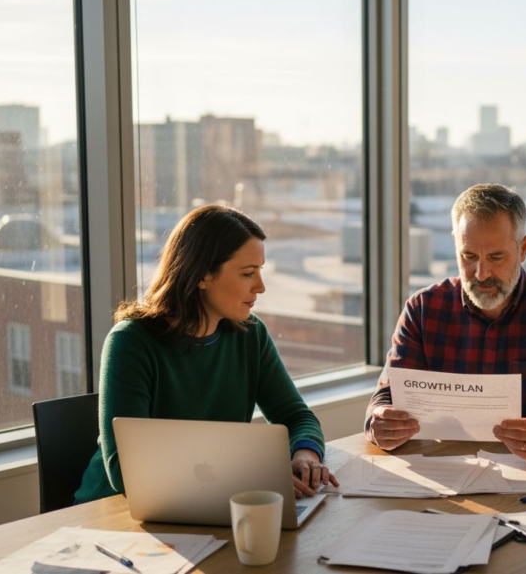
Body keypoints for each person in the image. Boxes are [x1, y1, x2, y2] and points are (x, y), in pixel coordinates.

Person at [75, 204, 337, 503]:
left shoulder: (250, 335)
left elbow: (295, 416)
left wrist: (305, 453)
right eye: (248, 273)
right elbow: (126, 471)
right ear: (201, 275)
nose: (261, 287)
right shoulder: (130, 343)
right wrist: (252, 480)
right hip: (113, 512)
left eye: (260, 271)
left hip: (210, 502)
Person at [364, 183, 526, 461]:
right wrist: (379, 422)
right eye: (468, 256)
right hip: (446, 470)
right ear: (455, 244)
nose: (480, 274)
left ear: (523, 248)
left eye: (496, 257)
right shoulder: (423, 309)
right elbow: (385, 399)